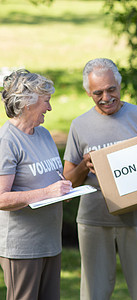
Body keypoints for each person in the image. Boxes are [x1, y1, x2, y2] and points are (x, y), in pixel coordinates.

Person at [63, 58, 137, 299]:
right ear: (89, 93)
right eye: (98, 92)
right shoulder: (80, 125)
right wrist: (84, 165)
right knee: (93, 294)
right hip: (94, 219)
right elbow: (67, 181)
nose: (106, 97)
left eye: (111, 89)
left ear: (120, 86)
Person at [0, 69, 73, 300]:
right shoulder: (7, 141)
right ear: (27, 103)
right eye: (46, 101)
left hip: (50, 242)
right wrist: (47, 192)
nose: (50, 108)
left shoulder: (43, 134)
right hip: (23, 248)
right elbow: (1, 198)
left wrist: (63, 190)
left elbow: (53, 180)